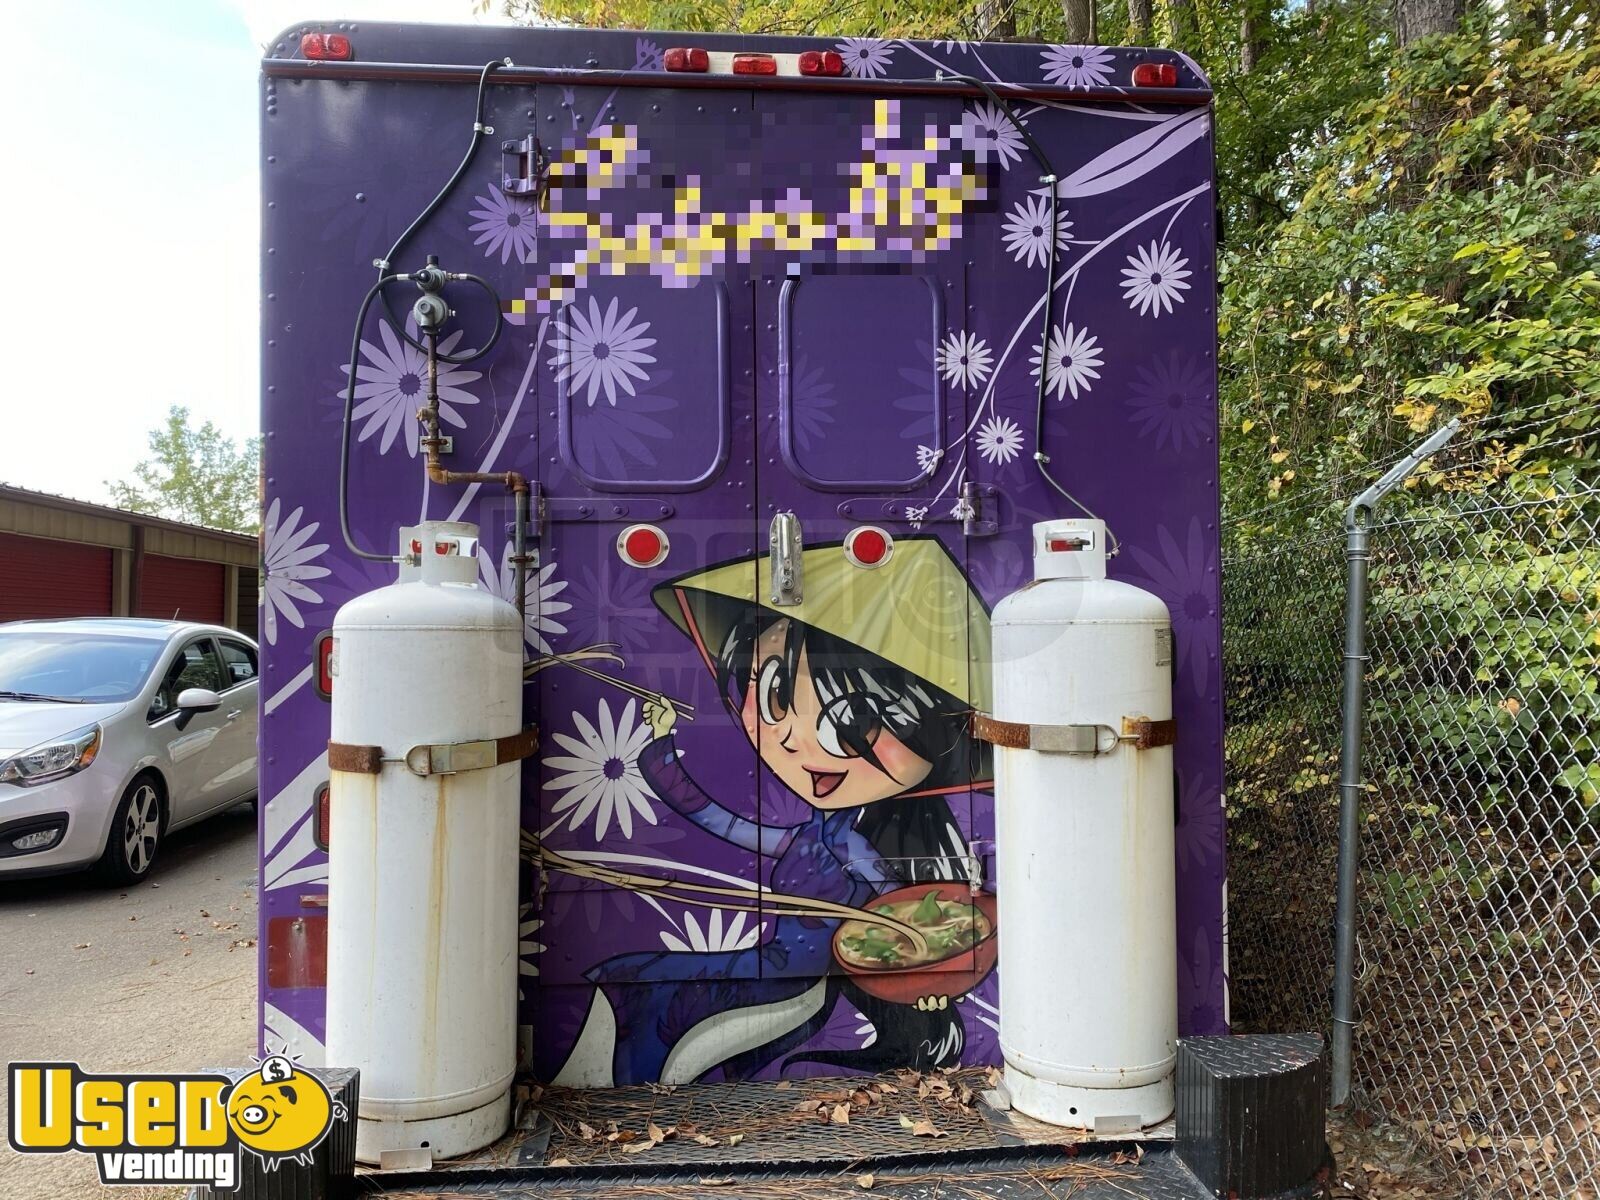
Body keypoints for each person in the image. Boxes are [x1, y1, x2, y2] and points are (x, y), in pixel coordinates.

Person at [551, 537, 995, 1085]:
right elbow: (720, 821)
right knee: (627, 978)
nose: (790, 740)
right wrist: (661, 749)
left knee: (643, 988)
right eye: (772, 700)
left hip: (793, 986)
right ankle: (606, 1094)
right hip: (768, 970)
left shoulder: (856, 849)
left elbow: (899, 920)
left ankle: (619, 1096)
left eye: (850, 719)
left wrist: (929, 983)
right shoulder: (814, 836)